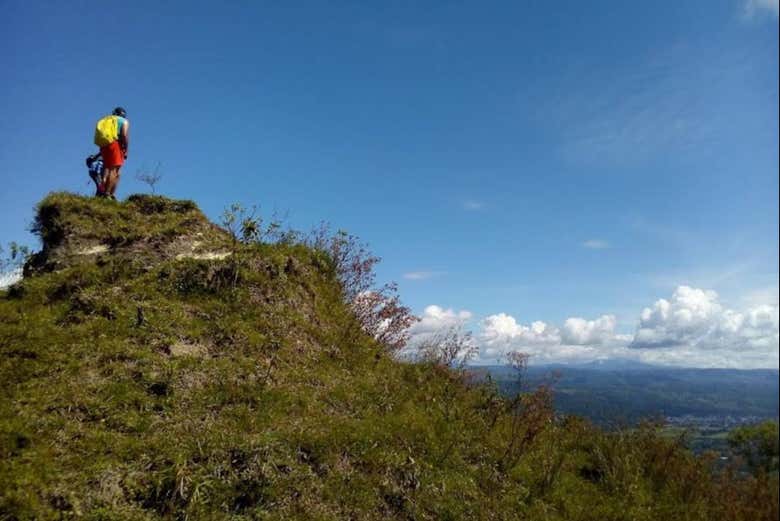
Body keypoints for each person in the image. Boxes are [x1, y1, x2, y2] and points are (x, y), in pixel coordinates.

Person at [94, 107, 130, 200]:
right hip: (115, 144)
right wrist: (126, 148)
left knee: (107, 168)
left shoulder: (107, 119)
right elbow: (124, 135)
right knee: (114, 170)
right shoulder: (124, 121)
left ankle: (102, 192)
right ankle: (107, 194)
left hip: (104, 144)